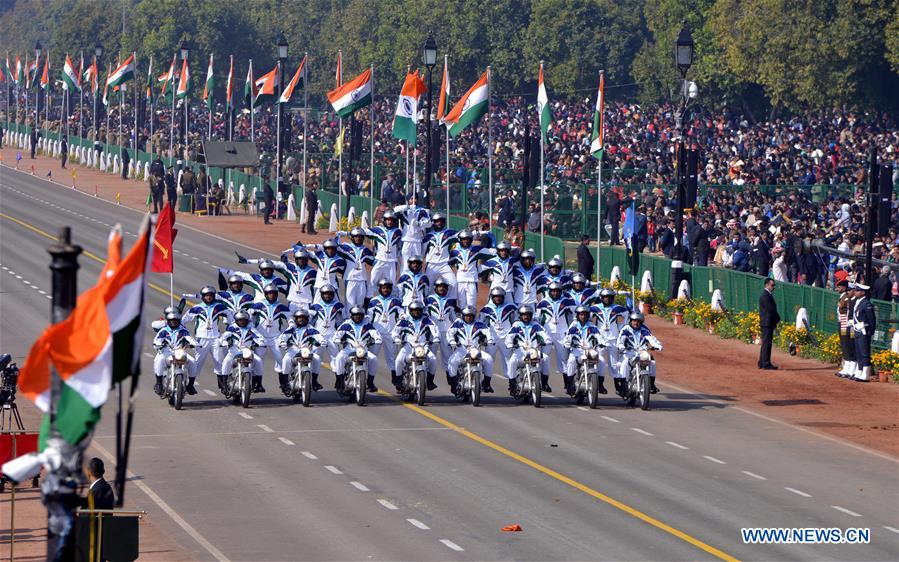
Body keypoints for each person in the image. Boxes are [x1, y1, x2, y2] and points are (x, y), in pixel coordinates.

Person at [181, 286, 228, 390]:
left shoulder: (220, 307)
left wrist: (230, 330)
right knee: (197, 363)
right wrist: (184, 336)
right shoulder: (197, 308)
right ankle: (190, 385)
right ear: (202, 297)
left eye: (210, 295)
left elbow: (232, 318)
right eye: (206, 296)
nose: (209, 297)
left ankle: (222, 385)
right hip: (201, 339)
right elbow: (183, 321)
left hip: (216, 338)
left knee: (219, 361)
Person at [249, 284, 292, 392]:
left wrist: (290, 327)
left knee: (281, 360)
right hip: (261, 337)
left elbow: (290, 319)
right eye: (269, 293)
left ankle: (284, 384)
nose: (272, 296)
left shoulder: (281, 307)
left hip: (276, 338)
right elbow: (248, 318)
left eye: (274, 294)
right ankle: (257, 384)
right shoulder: (258, 305)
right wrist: (252, 331)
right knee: (258, 361)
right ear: (266, 294)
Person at [332, 306, 382, 392]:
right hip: (349, 349)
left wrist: (378, 339)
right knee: (339, 357)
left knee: (374, 359)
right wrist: (337, 340)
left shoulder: (367, 325)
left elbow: (376, 334)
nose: (358, 317)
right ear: (351, 315)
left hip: (363, 349)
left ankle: (370, 382)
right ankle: (340, 381)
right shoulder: (346, 325)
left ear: (363, 315)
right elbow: (337, 335)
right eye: (355, 315)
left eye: (360, 315)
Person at [446, 306, 495, 393]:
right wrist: (451, 341)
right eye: (466, 316)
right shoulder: (458, 323)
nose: (468, 318)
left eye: (471, 316)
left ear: (474, 316)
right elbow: (450, 332)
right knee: (452, 361)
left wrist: (490, 339)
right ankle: (454, 385)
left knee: (489, 359)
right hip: (461, 349)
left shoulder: (479, 324)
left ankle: (486, 383)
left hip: (476, 349)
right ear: (463, 316)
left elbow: (488, 332)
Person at [392, 301, 439, 391]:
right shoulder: (404, 320)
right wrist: (396, 338)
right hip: (408, 346)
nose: (416, 312)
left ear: (422, 311)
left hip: (423, 346)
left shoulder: (427, 320)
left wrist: (436, 338)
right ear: (410, 311)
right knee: (398, 360)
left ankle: (430, 381)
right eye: (413, 310)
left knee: (433, 359)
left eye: (418, 310)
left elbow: (435, 330)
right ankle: (398, 380)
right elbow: (395, 332)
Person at [505, 305, 551, 393]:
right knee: (512, 362)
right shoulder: (516, 326)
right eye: (523, 315)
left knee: (546, 358)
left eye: (528, 314)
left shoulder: (536, 325)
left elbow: (545, 334)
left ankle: (545, 382)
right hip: (520, 352)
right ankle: (512, 384)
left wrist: (547, 340)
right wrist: (509, 344)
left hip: (534, 350)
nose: (526, 317)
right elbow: (509, 337)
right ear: (520, 316)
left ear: (531, 315)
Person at [219, 311, 266, 393]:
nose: (242, 322)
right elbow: (224, 337)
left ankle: (258, 384)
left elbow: (259, 337)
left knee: (259, 361)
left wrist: (261, 342)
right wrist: (224, 342)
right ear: (236, 320)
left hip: (247, 351)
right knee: (226, 362)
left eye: (244, 320)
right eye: (240, 320)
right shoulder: (232, 328)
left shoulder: (251, 329)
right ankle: (224, 386)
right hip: (234, 351)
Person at [563, 306, 606, 395]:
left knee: (601, 360)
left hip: (590, 351)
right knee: (571, 361)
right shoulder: (573, 327)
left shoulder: (593, 327)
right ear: (578, 316)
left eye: (585, 315)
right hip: (577, 351)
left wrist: (602, 343)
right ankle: (570, 385)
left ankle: (600, 384)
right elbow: (567, 338)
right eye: (581, 315)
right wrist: (567, 343)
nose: (583, 317)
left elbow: (599, 336)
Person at [278, 309, 324, 393]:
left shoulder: (311, 329)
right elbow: (283, 336)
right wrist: (282, 342)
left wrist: (322, 342)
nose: (301, 319)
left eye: (303, 318)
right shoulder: (291, 329)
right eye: (299, 318)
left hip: (305, 350)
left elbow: (319, 336)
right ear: (295, 319)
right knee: (286, 360)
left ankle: (314, 381)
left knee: (317, 358)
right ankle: (285, 383)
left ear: (307, 319)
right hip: (292, 351)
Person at [152, 312, 198, 396]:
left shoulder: (183, 331)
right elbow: (157, 340)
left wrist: (194, 344)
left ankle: (190, 385)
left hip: (180, 351)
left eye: (176, 321)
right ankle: (159, 383)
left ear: (179, 321)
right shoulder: (163, 331)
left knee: (193, 361)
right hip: (166, 352)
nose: (174, 322)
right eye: (172, 321)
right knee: (159, 360)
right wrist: (158, 344)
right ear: (168, 321)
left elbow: (190, 338)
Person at [616, 312, 662, 394]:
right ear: (631, 321)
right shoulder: (626, 329)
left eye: (638, 321)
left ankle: (651, 384)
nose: (636, 323)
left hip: (642, 351)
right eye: (634, 321)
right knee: (624, 363)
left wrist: (658, 345)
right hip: (629, 351)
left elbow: (651, 338)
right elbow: (620, 339)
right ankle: (623, 386)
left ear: (641, 322)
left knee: (652, 362)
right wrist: (621, 345)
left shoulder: (644, 330)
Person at [368, 279, 403, 386]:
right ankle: (369, 381)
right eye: (383, 288)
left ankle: (396, 380)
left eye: (388, 288)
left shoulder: (396, 301)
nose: (386, 290)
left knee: (392, 357)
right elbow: (369, 316)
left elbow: (401, 313)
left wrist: (403, 317)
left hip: (390, 332)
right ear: (379, 289)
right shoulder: (374, 301)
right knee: (372, 357)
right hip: (376, 333)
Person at [537, 282, 574, 382]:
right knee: (544, 357)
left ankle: (568, 383)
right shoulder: (543, 302)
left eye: (557, 291)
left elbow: (574, 315)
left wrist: (572, 329)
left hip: (562, 333)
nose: (555, 293)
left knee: (563, 359)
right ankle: (544, 382)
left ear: (561, 291)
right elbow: (537, 317)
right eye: (553, 291)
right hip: (547, 333)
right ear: (549, 291)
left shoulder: (566, 301)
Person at [426, 277, 457, 383]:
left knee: (448, 356)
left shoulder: (451, 300)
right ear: (435, 288)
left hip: (446, 331)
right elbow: (426, 315)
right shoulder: (429, 299)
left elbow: (453, 316)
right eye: (439, 287)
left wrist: (458, 325)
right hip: (433, 332)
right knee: (430, 355)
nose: (442, 289)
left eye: (444, 287)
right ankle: (429, 380)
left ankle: (451, 380)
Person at [336, 228, 375, 307]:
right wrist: (344, 234)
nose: (358, 238)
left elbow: (373, 262)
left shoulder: (366, 250)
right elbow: (334, 246)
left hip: (362, 279)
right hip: (350, 279)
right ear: (351, 237)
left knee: (360, 304)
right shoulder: (345, 247)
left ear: (363, 238)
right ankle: (348, 319)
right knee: (350, 304)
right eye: (355, 236)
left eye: (360, 237)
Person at [310, 284, 344, 371]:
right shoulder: (315, 306)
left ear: (333, 295)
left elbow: (340, 322)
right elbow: (311, 323)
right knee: (315, 358)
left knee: (336, 358)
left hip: (332, 336)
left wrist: (341, 335)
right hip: (319, 336)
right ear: (321, 294)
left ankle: (338, 381)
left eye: (329, 294)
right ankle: (314, 381)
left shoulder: (338, 306)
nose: (327, 296)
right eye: (325, 293)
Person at [851, 283, 875, 382]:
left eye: (857, 290)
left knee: (864, 352)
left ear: (863, 292)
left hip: (864, 331)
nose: (855, 292)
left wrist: (871, 331)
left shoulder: (867, 303)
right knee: (858, 352)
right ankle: (860, 371)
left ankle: (866, 374)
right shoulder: (858, 302)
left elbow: (871, 319)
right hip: (857, 329)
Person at [834, 279, 857, 378]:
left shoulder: (847, 298)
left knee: (848, 345)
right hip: (843, 322)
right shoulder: (844, 297)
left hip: (847, 323)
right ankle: (847, 366)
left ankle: (851, 367)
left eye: (850, 290)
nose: (849, 292)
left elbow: (846, 311)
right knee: (844, 345)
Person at [758, 277, 780, 370]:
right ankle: (765, 363)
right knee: (767, 343)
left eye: (774, 285)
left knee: (765, 343)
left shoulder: (767, 295)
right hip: (767, 322)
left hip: (767, 322)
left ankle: (762, 362)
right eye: (772, 285)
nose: (773, 287)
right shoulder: (765, 296)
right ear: (766, 285)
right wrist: (777, 318)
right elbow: (770, 309)